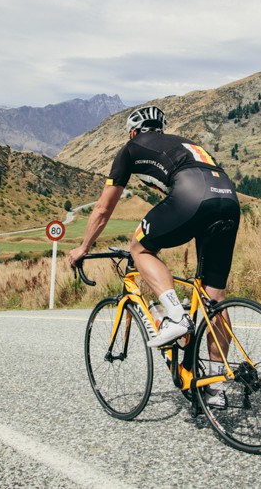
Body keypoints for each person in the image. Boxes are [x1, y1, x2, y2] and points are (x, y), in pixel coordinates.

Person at [67, 105, 241, 357]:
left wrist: (83, 247)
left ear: (132, 133)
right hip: (228, 200)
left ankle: (176, 316)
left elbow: (103, 209)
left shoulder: (130, 149)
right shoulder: (183, 143)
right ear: (161, 130)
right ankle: (215, 388)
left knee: (139, 247)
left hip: (193, 195)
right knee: (214, 297)